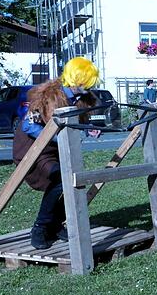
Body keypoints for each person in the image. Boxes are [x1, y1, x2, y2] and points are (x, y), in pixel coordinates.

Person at [13, 57, 101, 249]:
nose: (88, 86)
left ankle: (54, 224)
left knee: (72, 180)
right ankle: (40, 227)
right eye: (85, 82)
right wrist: (60, 138)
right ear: (76, 79)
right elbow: (29, 127)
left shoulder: (83, 98)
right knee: (62, 178)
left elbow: (77, 124)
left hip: (56, 151)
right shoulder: (46, 95)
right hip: (33, 150)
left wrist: (89, 129)